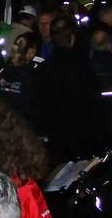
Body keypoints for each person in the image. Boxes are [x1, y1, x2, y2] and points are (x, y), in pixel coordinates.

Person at [30, 13, 105, 165]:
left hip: (56, 141)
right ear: (72, 37)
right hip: (83, 139)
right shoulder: (84, 67)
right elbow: (96, 105)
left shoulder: (43, 70)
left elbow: (37, 107)